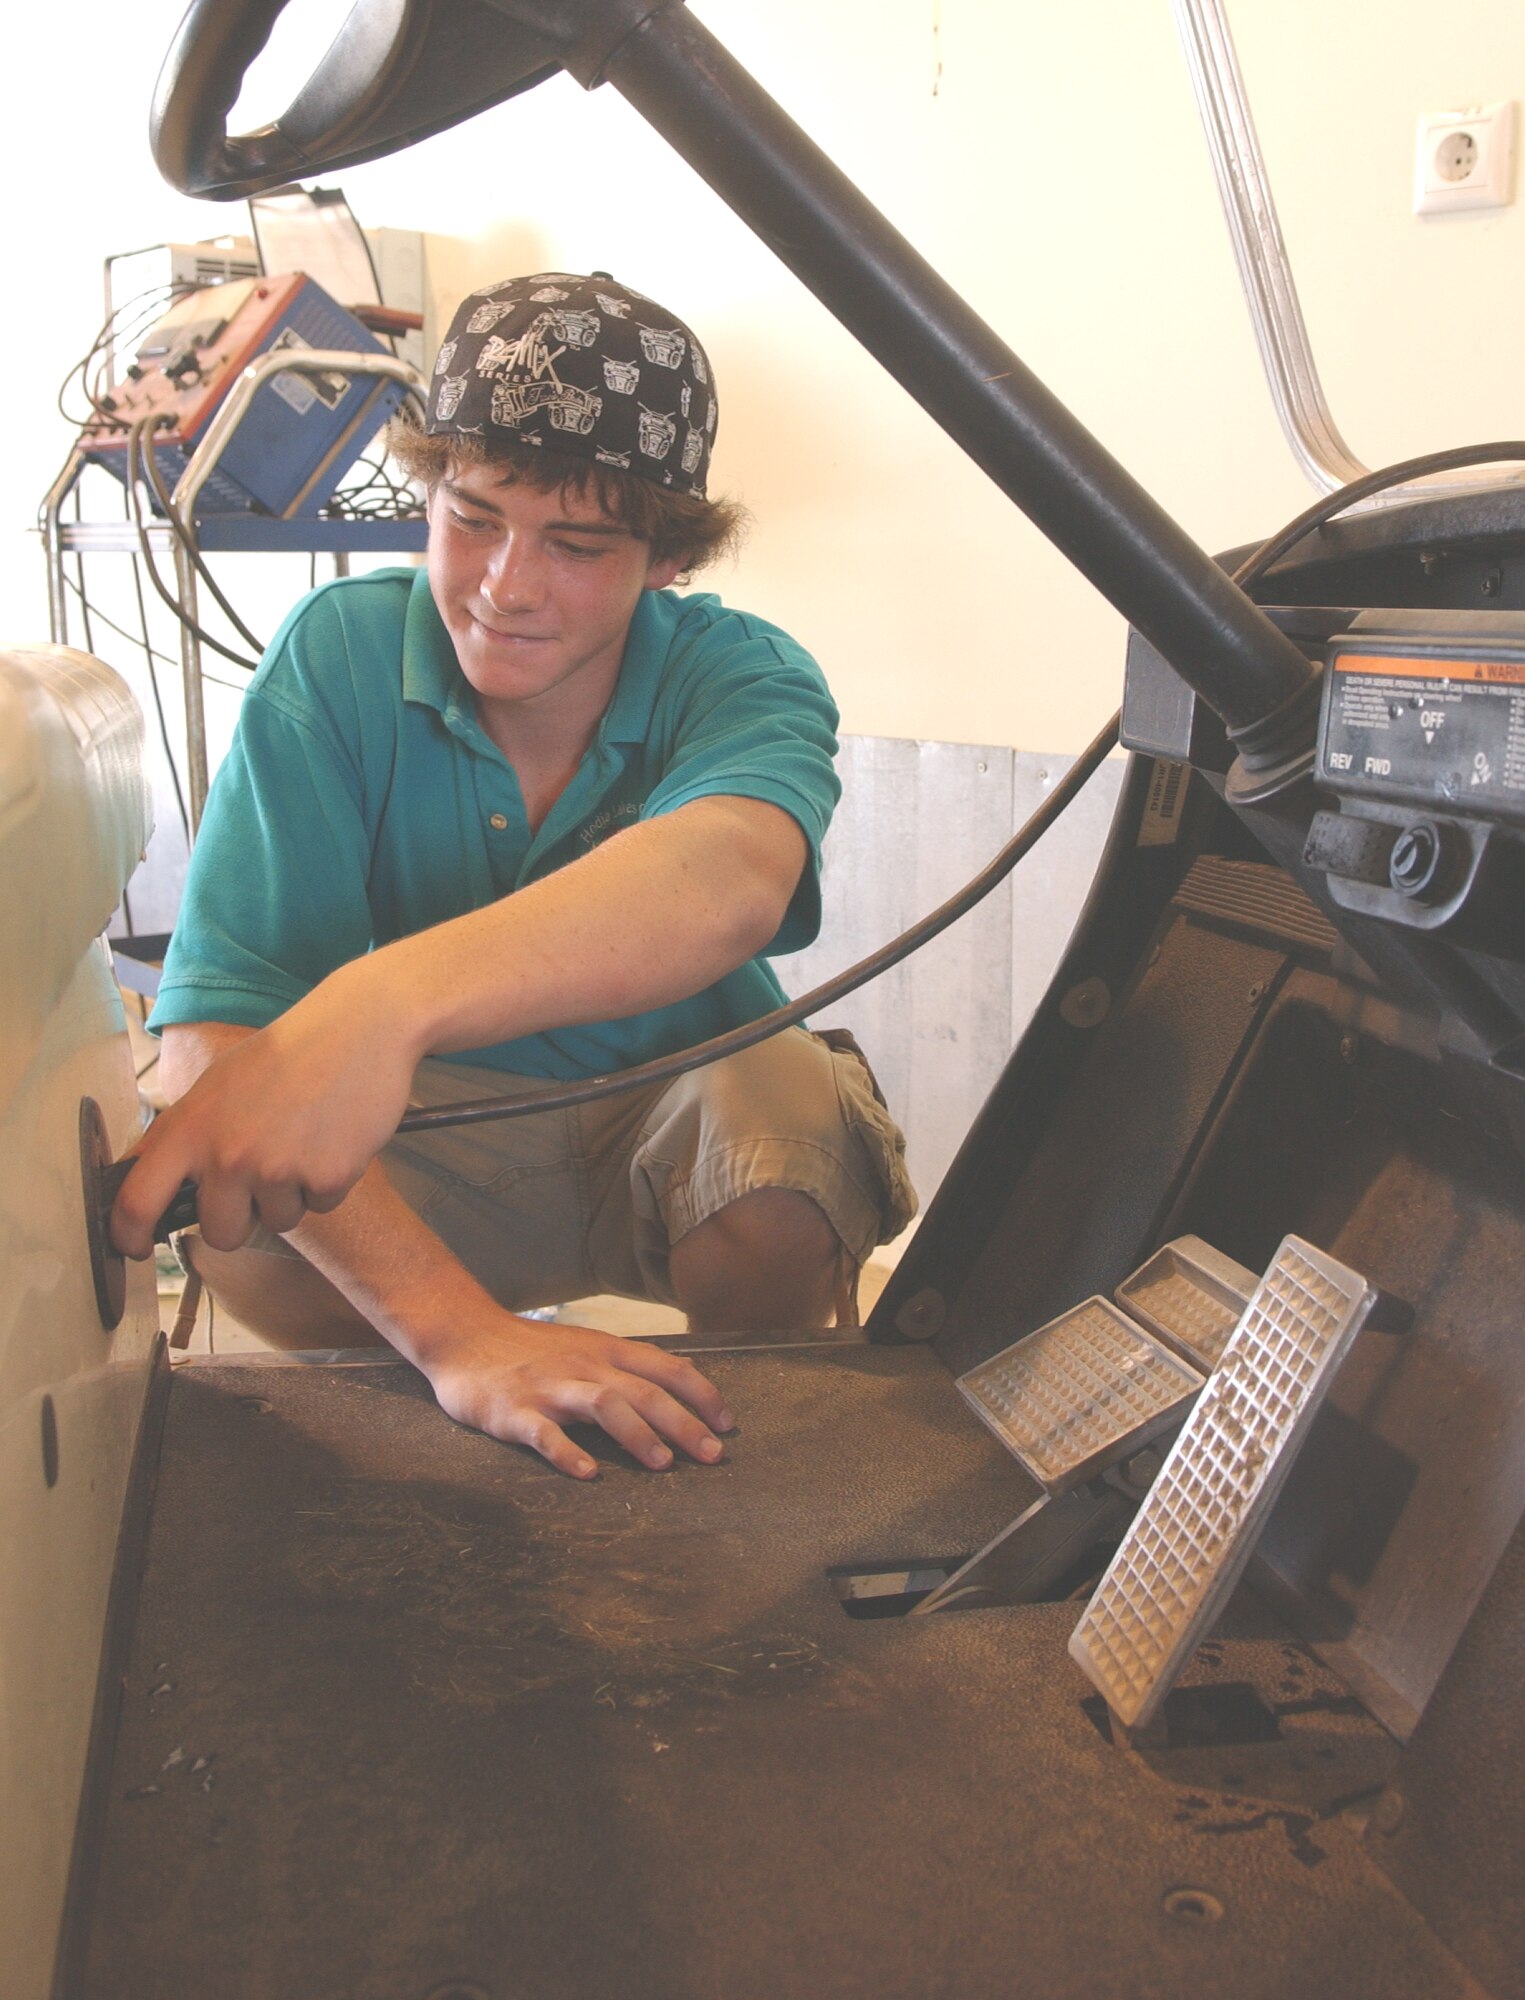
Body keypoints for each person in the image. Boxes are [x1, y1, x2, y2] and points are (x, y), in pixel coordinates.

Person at [112, 271, 915, 1478]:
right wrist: (463, 1335)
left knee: (787, 1131)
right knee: (238, 1214)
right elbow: (212, 1038)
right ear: (427, 493)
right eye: (473, 517)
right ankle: (462, 1380)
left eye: (578, 544)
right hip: (431, 1156)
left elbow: (730, 875)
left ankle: (741, 1422)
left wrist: (380, 1001)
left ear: (666, 556)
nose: (507, 584)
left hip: (673, 1134)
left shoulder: (743, 675)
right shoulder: (335, 656)